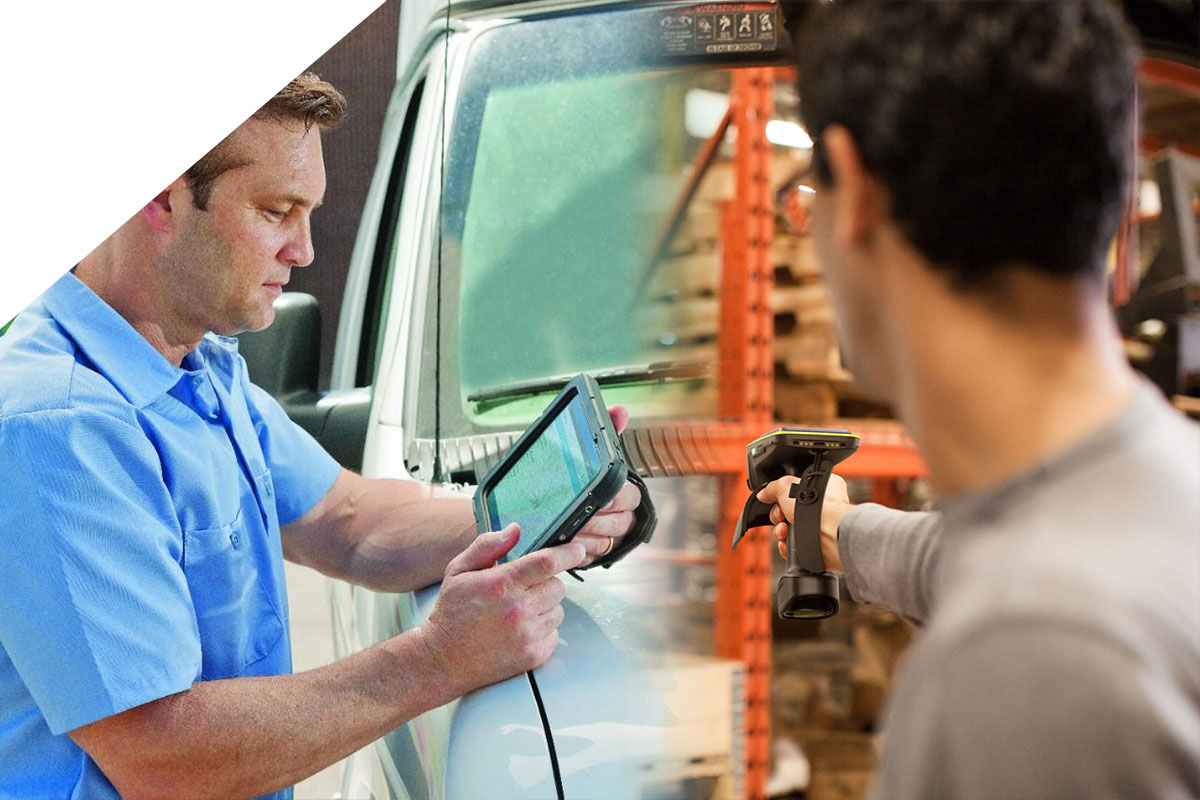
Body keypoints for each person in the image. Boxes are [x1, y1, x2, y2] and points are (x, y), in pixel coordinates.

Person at [0, 74, 642, 800]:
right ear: (160, 196)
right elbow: (160, 755)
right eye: (278, 211)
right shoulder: (60, 427)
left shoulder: (199, 366)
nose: (303, 250)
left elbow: (346, 522)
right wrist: (438, 658)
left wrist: (540, 516)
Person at [758, 3, 1200, 798]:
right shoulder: (1163, 480)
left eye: (804, 198)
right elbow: (1006, 552)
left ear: (854, 191)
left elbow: (1033, 609)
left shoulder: (1022, 663)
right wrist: (850, 537)